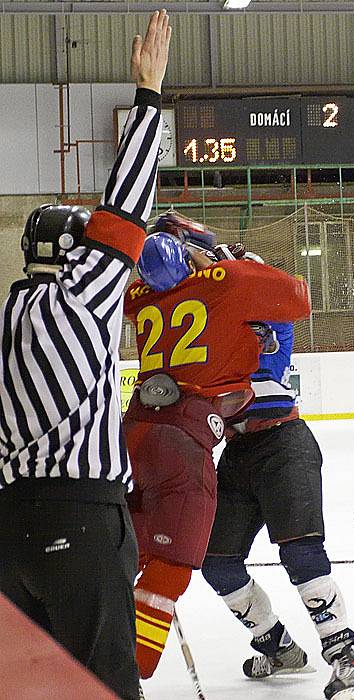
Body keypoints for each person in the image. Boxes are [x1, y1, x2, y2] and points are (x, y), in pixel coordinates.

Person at [0, 11, 171, 700]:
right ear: (74, 252)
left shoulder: (8, 318)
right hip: (82, 519)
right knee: (104, 683)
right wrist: (148, 97)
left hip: (9, 526)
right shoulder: (84, 296)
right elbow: (128, 208)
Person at [122, 216, 311, 680]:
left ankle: (84, 648)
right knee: (172, 565)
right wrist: (231, 266)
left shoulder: (140, 296)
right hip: (184, 443)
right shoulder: (224, 281)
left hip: (132, 434)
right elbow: (298, 298)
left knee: (128, 555)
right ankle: (125, 672)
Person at [201, 319, 354, 700]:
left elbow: (276, 317)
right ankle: (277, 646)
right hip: (237, 454)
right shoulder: (204, 330)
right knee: (216, 562)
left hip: (285, 446)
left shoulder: (268, 322)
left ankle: (344, 660)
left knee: (301, 553)